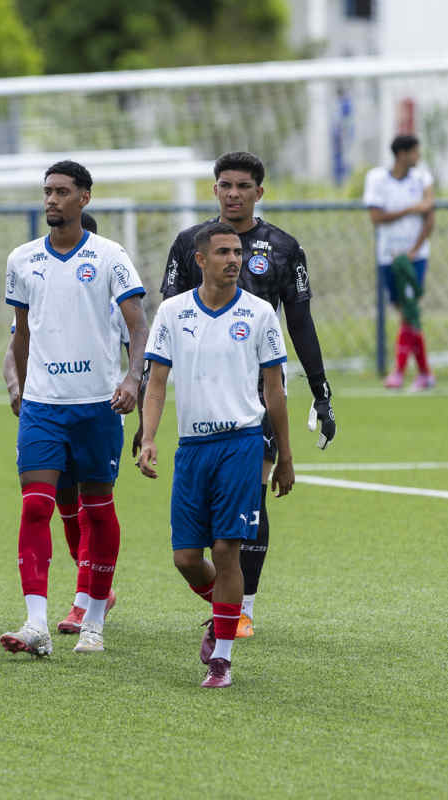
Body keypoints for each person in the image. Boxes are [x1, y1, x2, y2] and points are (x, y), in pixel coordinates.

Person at [156, 151, 333, 637]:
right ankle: (224, 600)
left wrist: (321, 392)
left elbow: (299, 321)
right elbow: (167, 320)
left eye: (242, 185)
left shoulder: (283, 248)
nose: (233, 193)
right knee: (193, 539)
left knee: (254, 493)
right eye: (224, 184)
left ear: (260, 191)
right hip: (202, 397)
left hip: (256, 395)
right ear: (214, 190)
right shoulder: (190, 244)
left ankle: (244, 606)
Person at [138, 221, 296, 688]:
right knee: (186, 558)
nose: (234, 259)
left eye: (238, 252)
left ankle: (221, 659)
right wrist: (148, 437)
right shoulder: (171, 312)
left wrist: (284, 455)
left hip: (242, 443)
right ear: (200, 259)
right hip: (192, 448)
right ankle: (220, 612)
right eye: (224, 251)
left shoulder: (261, 313)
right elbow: (158, 382)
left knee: (227, 549)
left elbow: (275, 389)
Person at [2, 161, 147, 657]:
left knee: (98, 508)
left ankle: (95, 620)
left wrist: (132, 379)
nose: (51, 200)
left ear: (84, 198)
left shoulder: (110, 256)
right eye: (47, 191)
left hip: (98, 405)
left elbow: (138, 326)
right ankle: (36, 623)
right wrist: (19, 385)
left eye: (62, 192)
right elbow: (21, 333)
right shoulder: (21, 260)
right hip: (44, 406)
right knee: (36, 505)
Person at [365, 134, 435, 390]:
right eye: (415, 152)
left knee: (410, 309)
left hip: (414, 257)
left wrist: (415, 250)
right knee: (405, 311)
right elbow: (376, 216)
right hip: (388, 255)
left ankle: (399, 371)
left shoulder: (422, 177)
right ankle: (425, 373)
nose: (418, 157)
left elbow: (429, 211)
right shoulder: (377, 179)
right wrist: (409, 209)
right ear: (403, 154)